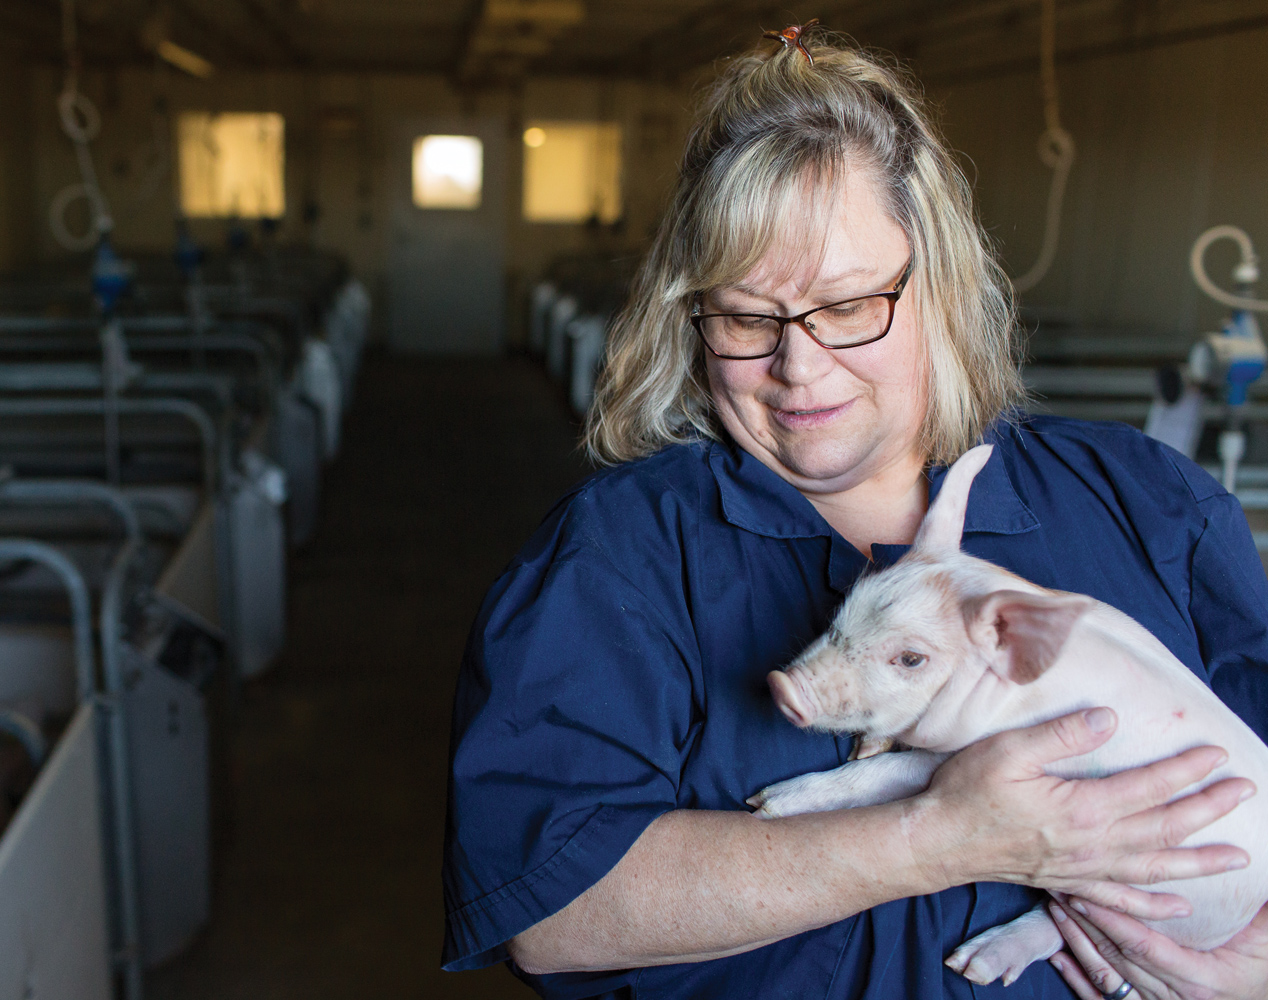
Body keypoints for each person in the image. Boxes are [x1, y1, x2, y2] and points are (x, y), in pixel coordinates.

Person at [441, 27, 1268, 1000]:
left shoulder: (1147, 507)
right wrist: (931, 837)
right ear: (691, 314)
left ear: (939, 287)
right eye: (748, 317)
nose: (799, 364)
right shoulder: (621, 556)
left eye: (848, 305)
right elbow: (549, 914)